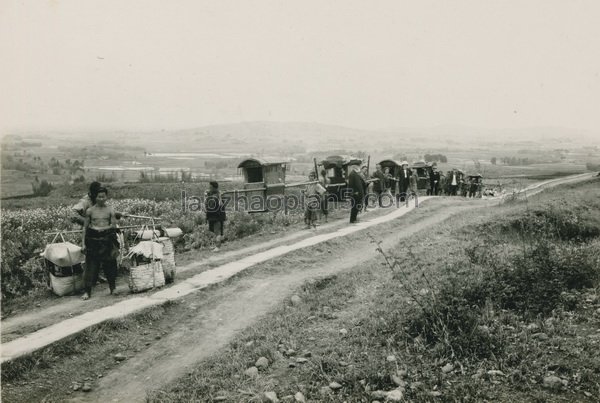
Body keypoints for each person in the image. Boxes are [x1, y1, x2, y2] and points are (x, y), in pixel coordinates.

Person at [81, 187, 119, 300]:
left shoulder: (110, 210)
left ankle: (113, 288)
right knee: (90, 266)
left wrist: (103, 229)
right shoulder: (90, 211)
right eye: (99, 196)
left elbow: (113, 226)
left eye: (103, 196)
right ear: (95, 197)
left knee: (110, 264)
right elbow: (85, 228)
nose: (101, 199)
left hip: (107, 239)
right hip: (92, 240)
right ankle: (87, 292)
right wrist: (83, 243)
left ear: (106, 197)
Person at [205, 181, 226, 252]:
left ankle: (218, 247)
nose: (209, 188)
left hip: (217, 216)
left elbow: (213, 206)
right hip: (213, 216)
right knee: (214, 232)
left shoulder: (217, 195)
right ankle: (215, 246)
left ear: (214, 187)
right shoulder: (215, 194)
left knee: (217, 232)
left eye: (210, 187)